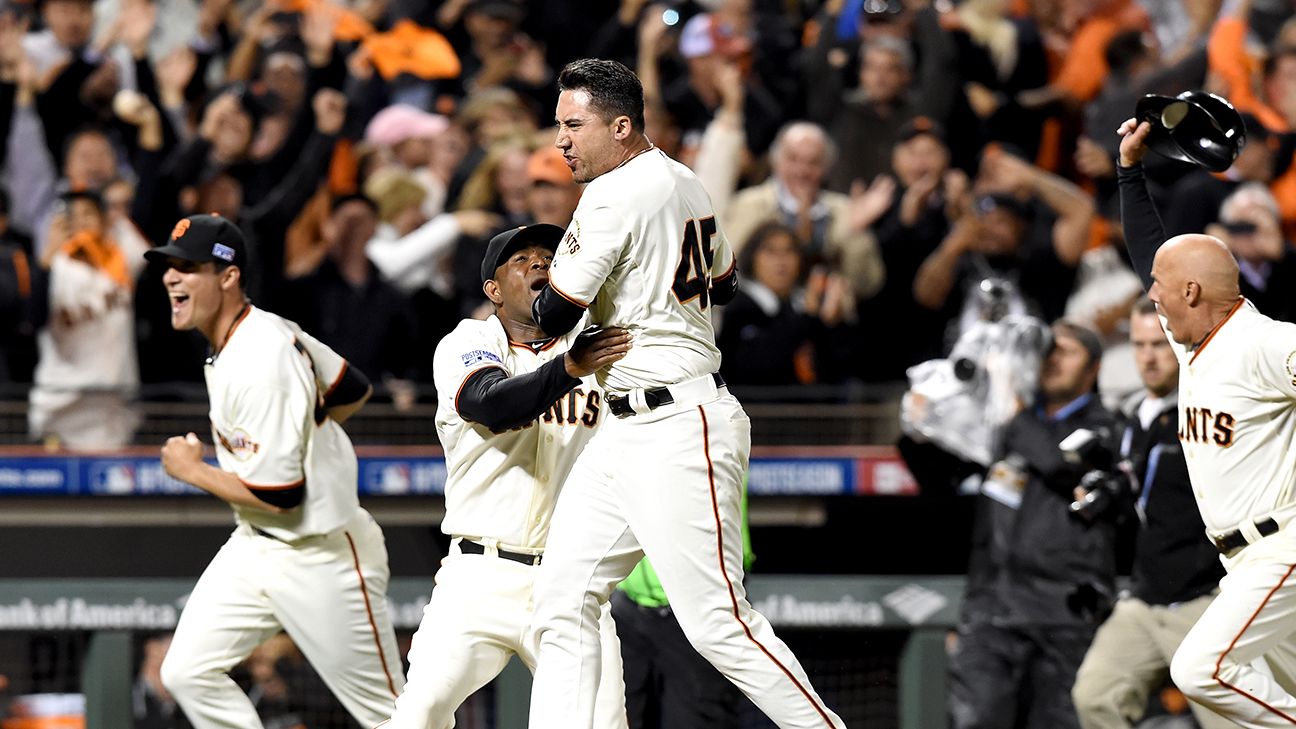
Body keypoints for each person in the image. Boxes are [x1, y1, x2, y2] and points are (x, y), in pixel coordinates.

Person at [527, 58, 845, 729]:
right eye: (560, 124)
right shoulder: (685, 179)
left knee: (718, 625)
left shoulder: (613, 194)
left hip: (677, 420)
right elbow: (724, 283)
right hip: (626, 426)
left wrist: (539, 283)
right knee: (561, 594)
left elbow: (551, 316)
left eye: (573, 125)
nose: (561, 140)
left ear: (621, 126)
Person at [147, 214, 405, 729]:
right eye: (169, 266)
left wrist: (192, 470)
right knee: (187, 672)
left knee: (396, 718)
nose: (172, 277)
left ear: (228, 276)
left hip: (323, 557)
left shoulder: (262, 357)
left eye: (188, 267)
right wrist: (307, 423)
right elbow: (351, 388)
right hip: (257, 545)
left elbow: (281, 495)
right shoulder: (256, 332)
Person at [383, 224, 632, 729]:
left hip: (572, 578)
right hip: (480, 574)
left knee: (601, 723)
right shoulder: (471, 340)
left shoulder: (597, 349)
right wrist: (570, 368)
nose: (541, 263)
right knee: (418, 715)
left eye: (549, 256)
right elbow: (490, 404)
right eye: (522, 259)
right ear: (493, 290)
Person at [1118, 116, 1296, 727]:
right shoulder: (1193, 337)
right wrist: (1129, 172)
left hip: (1284, 548)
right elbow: (1151, 252)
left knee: (1199, 669)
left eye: (1163, 290)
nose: (1152, 297)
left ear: (1192, 292)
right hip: (1244, 561)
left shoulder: (1267, 343)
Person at [947, 320, 1120, 729]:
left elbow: (1061, 465)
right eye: (1047, 350)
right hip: (992, 608)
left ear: (1093, 369)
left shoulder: (1105, 425)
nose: (1052, 360)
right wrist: (928, 422)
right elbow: (939, 477)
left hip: (1063, 614)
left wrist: (1014, 411)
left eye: (1066, 351)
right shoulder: (1004, 422)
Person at [1070, 298, 1228, 729]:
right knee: (1095, 696)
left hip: (1207, 598)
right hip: (1145, 596)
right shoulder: (1135, 419)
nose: (1148, 356)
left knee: (1235, 722)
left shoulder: (1212, 412)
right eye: (1139, 345)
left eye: (1159, 344)